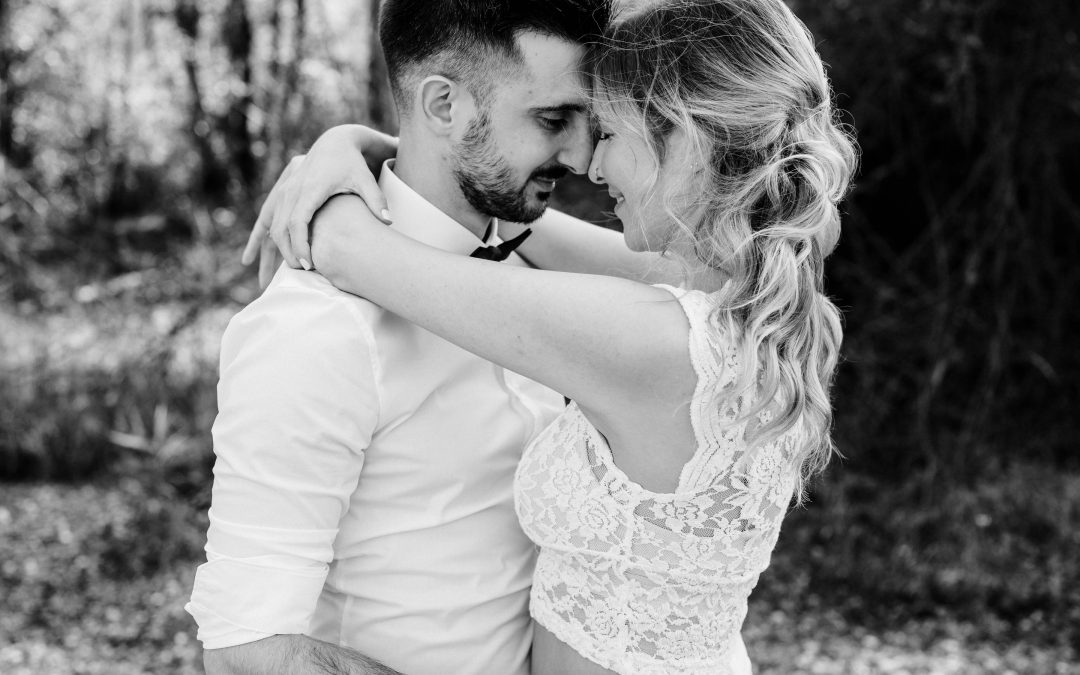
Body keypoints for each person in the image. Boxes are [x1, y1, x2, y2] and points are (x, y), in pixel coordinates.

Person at [252, 0, 858, 673]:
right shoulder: (746, 300)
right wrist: (364, 142)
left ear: (688, 141)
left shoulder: (650, 340)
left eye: (610, 133)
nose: (591, 166)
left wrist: (332, 165)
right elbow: (502, 216)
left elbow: (348, 248)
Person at [185, 2, 613, 674]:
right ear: (443, 105)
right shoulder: (317, 329)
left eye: (588, 120)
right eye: (553, 120)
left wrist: (355, 142)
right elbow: (247, 648)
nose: (583, 156)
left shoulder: (536, 266)